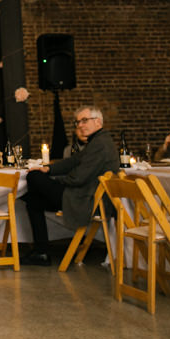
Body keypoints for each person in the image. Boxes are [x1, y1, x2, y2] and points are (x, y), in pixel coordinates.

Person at [22, 105, 119, 266]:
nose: (80, 125)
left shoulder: (100, 144)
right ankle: (41, 252)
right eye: (78, 122)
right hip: (83, 196)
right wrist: (48, 168)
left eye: (84, 120)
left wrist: (53, 181)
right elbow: (74, 161)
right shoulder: (98, 141)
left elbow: (78, 178)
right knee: (33, 201)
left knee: (33, 177)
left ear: (98, 122)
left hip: (85, 200)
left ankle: (41, 252)